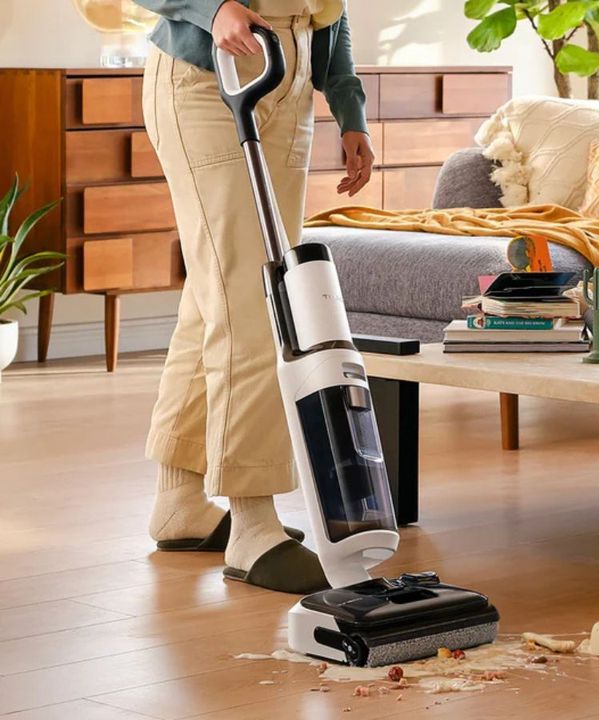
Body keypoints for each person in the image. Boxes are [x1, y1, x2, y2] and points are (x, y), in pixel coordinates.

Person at [135, 0, 374, 593]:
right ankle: (253, 523)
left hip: (285, 95)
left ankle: (179, 503)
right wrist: (210, 9)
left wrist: (350, 113)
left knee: (217, 294)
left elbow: (328, 17)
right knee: (253, 302)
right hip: (205, 84)